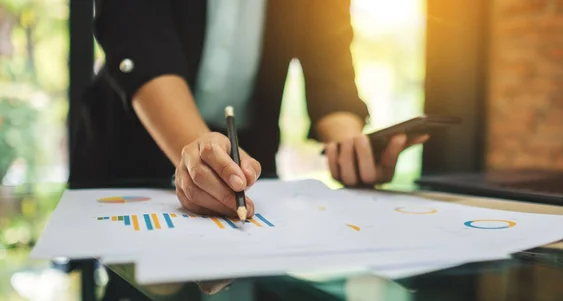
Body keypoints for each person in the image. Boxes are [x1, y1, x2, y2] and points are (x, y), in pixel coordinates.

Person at [70, 0, 428, 299]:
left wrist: (352, 148)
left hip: (249, 171)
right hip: (128, 162)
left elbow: (330, 66)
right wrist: (200, 154)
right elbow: (137, 39)